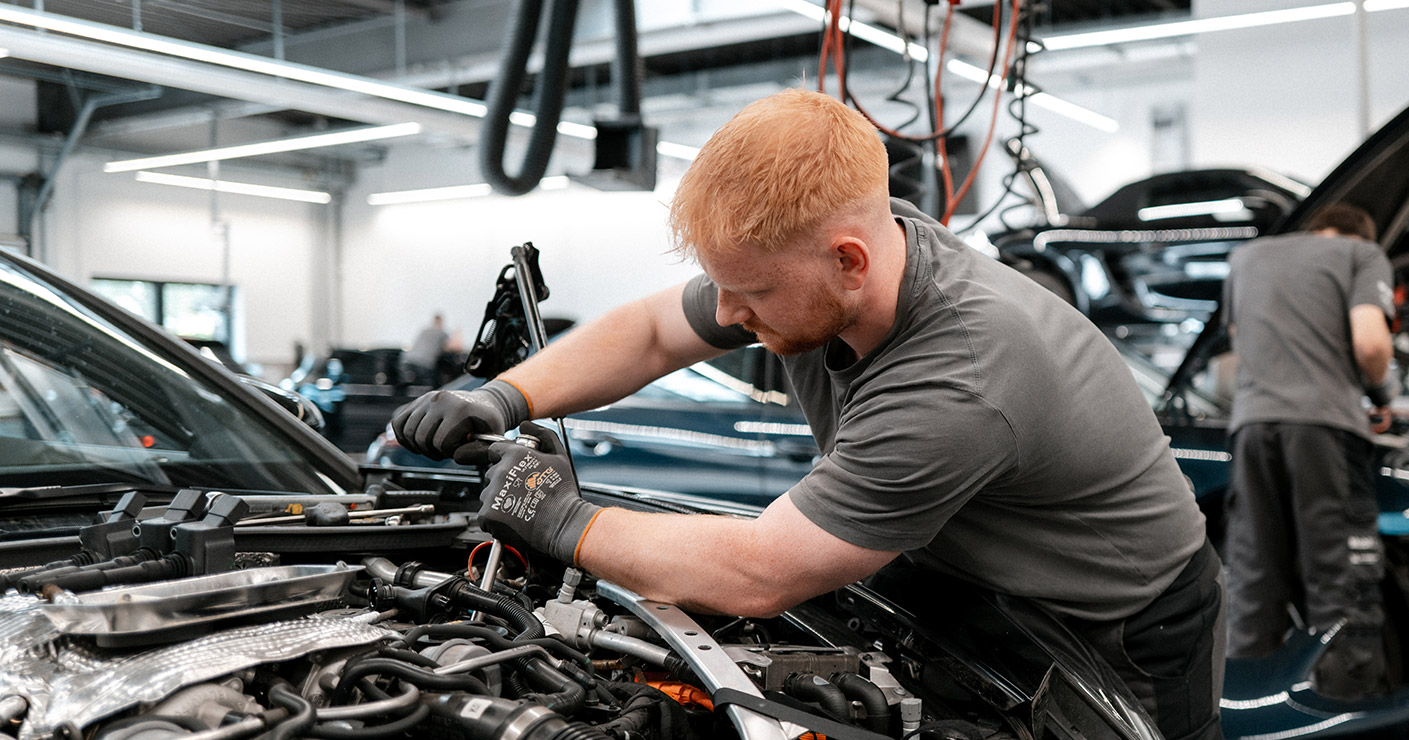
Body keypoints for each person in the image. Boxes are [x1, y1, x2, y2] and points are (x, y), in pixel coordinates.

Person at [389, 89, 1223, 740]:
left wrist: (561, 519)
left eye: (748, 294)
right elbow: (649, 333)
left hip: (1117, 626)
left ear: (849, 261)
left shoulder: (958, 381)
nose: (727, 312)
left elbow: (762, 570)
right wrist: (504, 395)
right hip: (965, 580)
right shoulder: (836, 257)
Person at [1219, 202, 1395, 699]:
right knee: (1336, 578)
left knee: (1253, 578)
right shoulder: (1362, 255)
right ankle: (1341, 713)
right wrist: (1382, 394)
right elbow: (1372, 347)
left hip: (1251, 427)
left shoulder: (1247, 257)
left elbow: (1237, 344)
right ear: (1355, 234)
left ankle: (1251, 710)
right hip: (1324, 429)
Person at [403, 313, 453, 384]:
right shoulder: (442, 334)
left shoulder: (424, 331)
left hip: (407, 360)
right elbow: (452, 347)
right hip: (424, 364)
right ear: (441, 322)